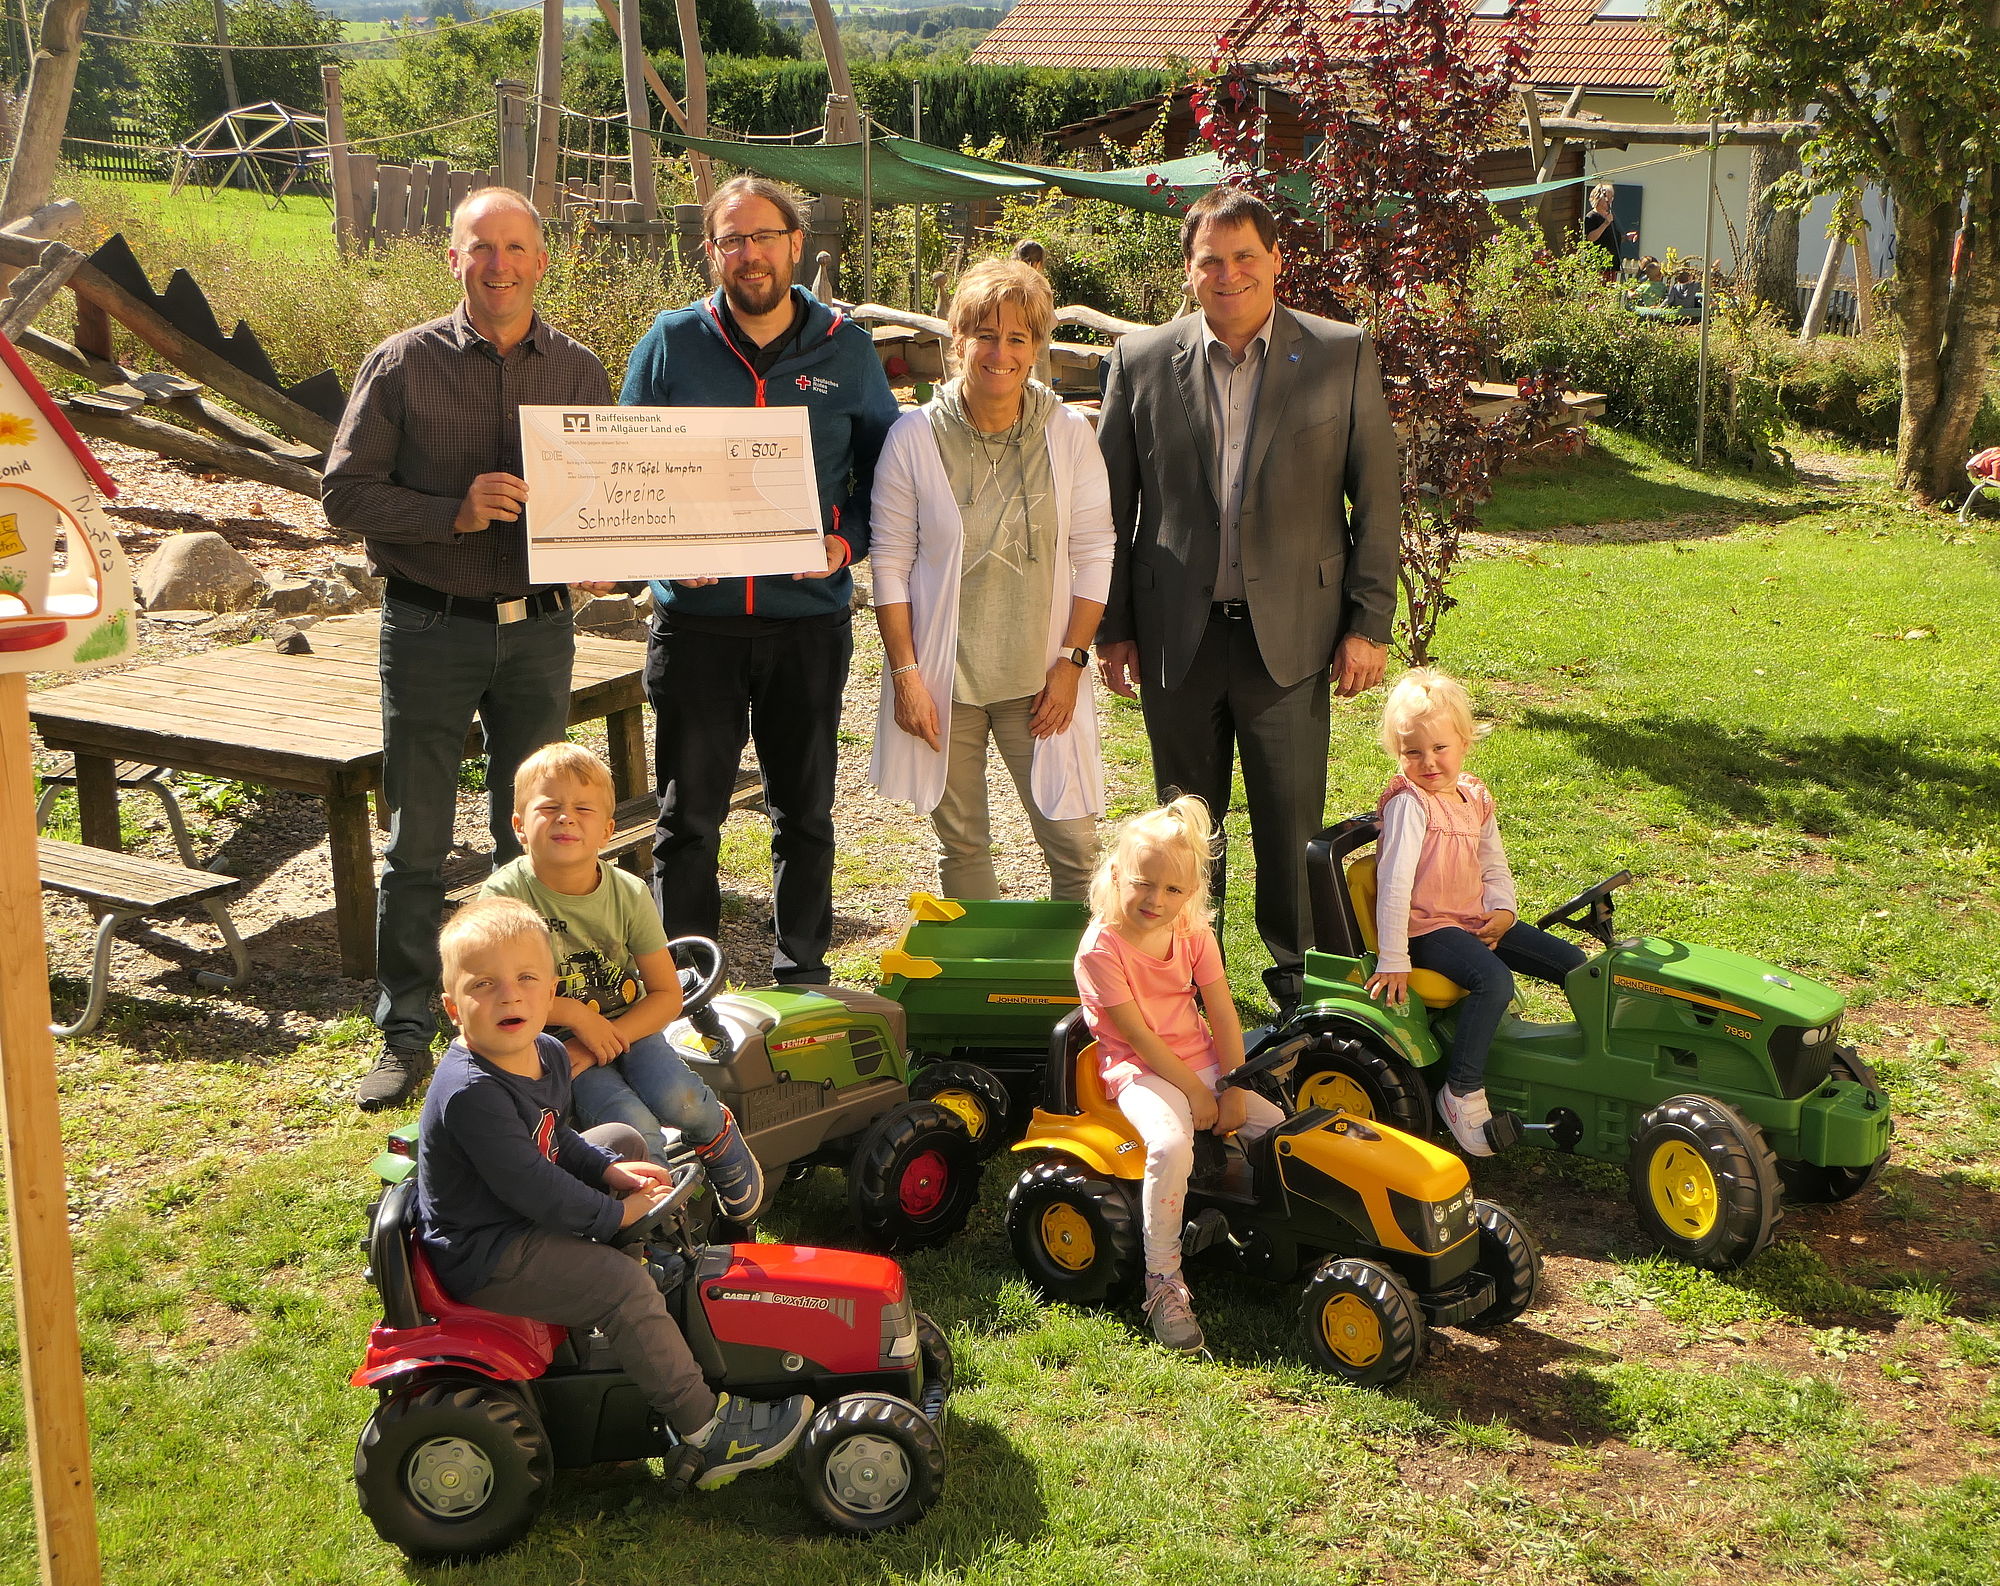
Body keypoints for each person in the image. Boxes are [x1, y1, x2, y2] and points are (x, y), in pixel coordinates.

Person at [324, 187, 615, 1112]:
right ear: (454, 260)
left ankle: (524, 1023)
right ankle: (408, 1024)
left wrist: (603, 556)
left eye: (516, 248)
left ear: (541, 259)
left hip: (538, 632)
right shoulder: (402, 363)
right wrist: (449, 511)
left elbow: (605, 494)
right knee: (416, 840)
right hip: (429, 627)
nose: (500, 265)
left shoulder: (577, 370)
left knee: (528, 839)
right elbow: (344, 495)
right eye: (481, 247)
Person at [1095, 185, 1401, 1013]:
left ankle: (1297, 994)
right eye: (1211, 261)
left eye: (1245, 258)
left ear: (1275, 262)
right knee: (1185, 833)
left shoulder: (1340, 354)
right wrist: (1112, 627)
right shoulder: (1140, 360)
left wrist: (1368, 624)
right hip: (1175, 640)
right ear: (1188, 271)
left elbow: (1378, 499)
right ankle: (1186, 988)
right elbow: (1108, 511)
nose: (1229, 275)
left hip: (1294, 638)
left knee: (1289, 828)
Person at [414, 896, 811, 1486]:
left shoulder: (544, 1053)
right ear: (453, 1008)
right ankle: (705, 1431)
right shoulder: (472, 1093)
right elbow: (538, 1189)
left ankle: (626, 1305)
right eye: (484, 985)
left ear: (552, 996)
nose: (509, 996)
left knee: (622, 1139)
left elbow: (559, 1140)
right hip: (490, 1250)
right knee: (623, 1286)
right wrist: (615, 1214)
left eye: (527, 979)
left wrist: (611, 1172)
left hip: (519, 1211)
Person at [621, 176, 900, 986]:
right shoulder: (672, 342)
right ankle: (682, 986)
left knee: (805, 815)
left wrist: (844, 544)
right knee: (687, 821)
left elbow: (888, 478)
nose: (750, 254)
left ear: (796, 245)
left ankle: (803, 973)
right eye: (732, 240)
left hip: (804, 623)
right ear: (710, 252)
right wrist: (662, 548)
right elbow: (624, 476)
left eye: (764, 237)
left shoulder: (846, 347)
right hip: (697, 625)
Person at [869, 259, 1114, 900]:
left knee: (1073, 844)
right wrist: (906, 676)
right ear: (958, 341)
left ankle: (1081, 990)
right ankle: (984, 992)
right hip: (946, 680)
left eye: (1017, 337)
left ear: (1035, 348)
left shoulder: (1068, 436)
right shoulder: (914, 437)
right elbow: (889, 562)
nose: (999, 352)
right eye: (984, 333)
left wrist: (1072, 661)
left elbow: (1096, 551)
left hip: (1040, 677)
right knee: (964, 844)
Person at [479, 742, 764, 1219]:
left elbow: (666, 993)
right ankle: (657, 1219)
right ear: (519, 827)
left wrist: (599, 1039)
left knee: (682, 1098)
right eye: (548, 808)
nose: (565, 818)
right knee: (631, 1123)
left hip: (625, 1025)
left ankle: (718, 1135)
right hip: (546, 1043)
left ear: (608, 830)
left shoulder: (628, 893)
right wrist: (571, 1015)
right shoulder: (505, 895)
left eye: (582, 809)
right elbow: (495, 991)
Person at [1072, 796, 1286, 1354]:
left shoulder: (1191, 932)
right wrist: (1197, 1092)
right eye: (1144, 883)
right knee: (1171, 1143)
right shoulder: (1101, 949)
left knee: (1283, 1131)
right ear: (1117, 875)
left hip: (1201, 1060)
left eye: (1172, 890)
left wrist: (1232, 1084)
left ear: (1190, 895)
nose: (1155, 900)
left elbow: (1221, 1011)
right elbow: (1140, 1037)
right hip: (1138, 1070)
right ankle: (1162, 1280)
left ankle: (1280, 1236)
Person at [1363, 669, 1586, 1157]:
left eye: (1439, 748)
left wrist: (1503, 910)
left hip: (1472, 919)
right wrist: (1393, 957)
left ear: (1464, 742)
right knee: (1494, 981)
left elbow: (1492, 861)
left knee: (1575, 965)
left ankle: (1582, 1066)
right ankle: (1461, 1091)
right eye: (1412, 752)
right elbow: (1395, 886)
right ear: (1396, 753)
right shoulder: (1409, 804)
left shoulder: (1474, 796)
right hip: (1427, 928)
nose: (1428, 762)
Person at [1581, 184, 1632, 283]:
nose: (1610, 201)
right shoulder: (1592, 217)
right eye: (1607, 198)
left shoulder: (1608, 216)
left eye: (1611, 198)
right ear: (1598, 198)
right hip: (1599, 265)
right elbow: (1591, 237)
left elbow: (1609, 238)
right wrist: (1605, 223)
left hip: (1612, 264)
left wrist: (1625, 237)